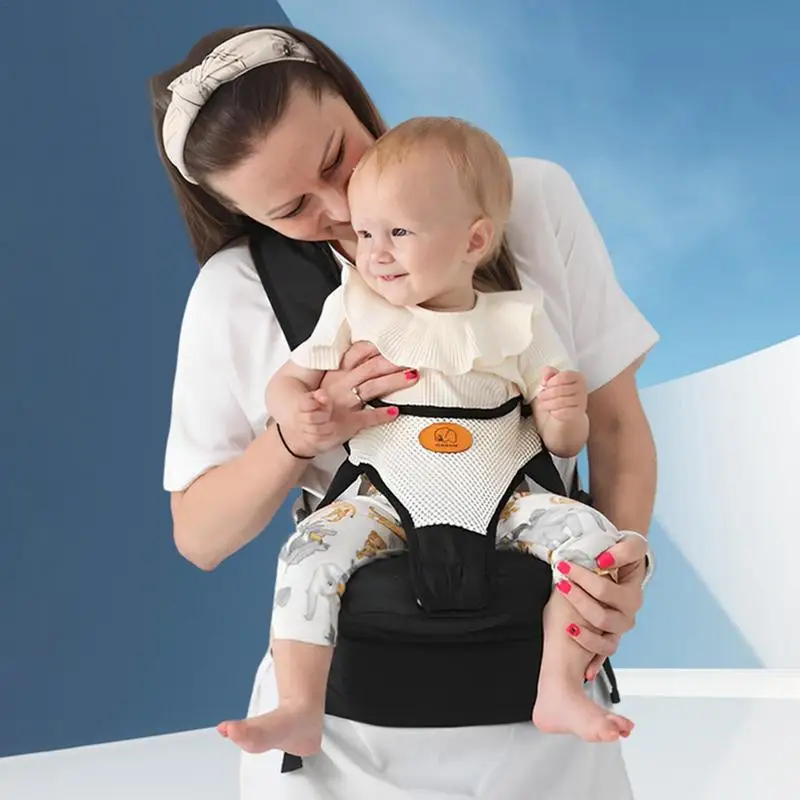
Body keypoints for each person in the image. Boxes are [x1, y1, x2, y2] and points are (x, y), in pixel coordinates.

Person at [151, 24, 658, 800]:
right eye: (293, 208)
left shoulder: (526, 199)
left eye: (336, 159)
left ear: (351, 96)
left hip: (538, 699)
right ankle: (294, 710)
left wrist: (615, 587)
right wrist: (300, 432)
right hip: (345, 730)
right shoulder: (239, 290)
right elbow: (199, 535)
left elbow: (613, 425)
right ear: (247, 215)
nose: (340, 209)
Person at [215, 115, 635, 755]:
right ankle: (299, 706)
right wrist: (297, 413)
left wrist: (563, 410)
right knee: (308, 553)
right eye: (365, 233)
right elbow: (289, 379)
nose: (374, 252)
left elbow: (565, 442)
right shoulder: (354, 305)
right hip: (383, 494)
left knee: (593, 538)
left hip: (508, 496)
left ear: (474, 239)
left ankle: (557, 686)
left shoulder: (520, 321)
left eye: (399, 233)